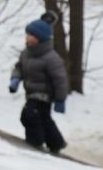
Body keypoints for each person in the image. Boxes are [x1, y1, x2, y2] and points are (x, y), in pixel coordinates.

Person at [9, 12, 69, 153]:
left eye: (31, 36)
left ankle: (35, 141)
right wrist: (15, 79)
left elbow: (60, 80)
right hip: (31, 93)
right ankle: (56, 142)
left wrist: (60, 99)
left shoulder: (51, 58)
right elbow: (19, 67)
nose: (27, 38)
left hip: (44, 94)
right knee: (43, 119)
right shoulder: (26, 53)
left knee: (30, 115)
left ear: (40, 39)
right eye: (27, 34)